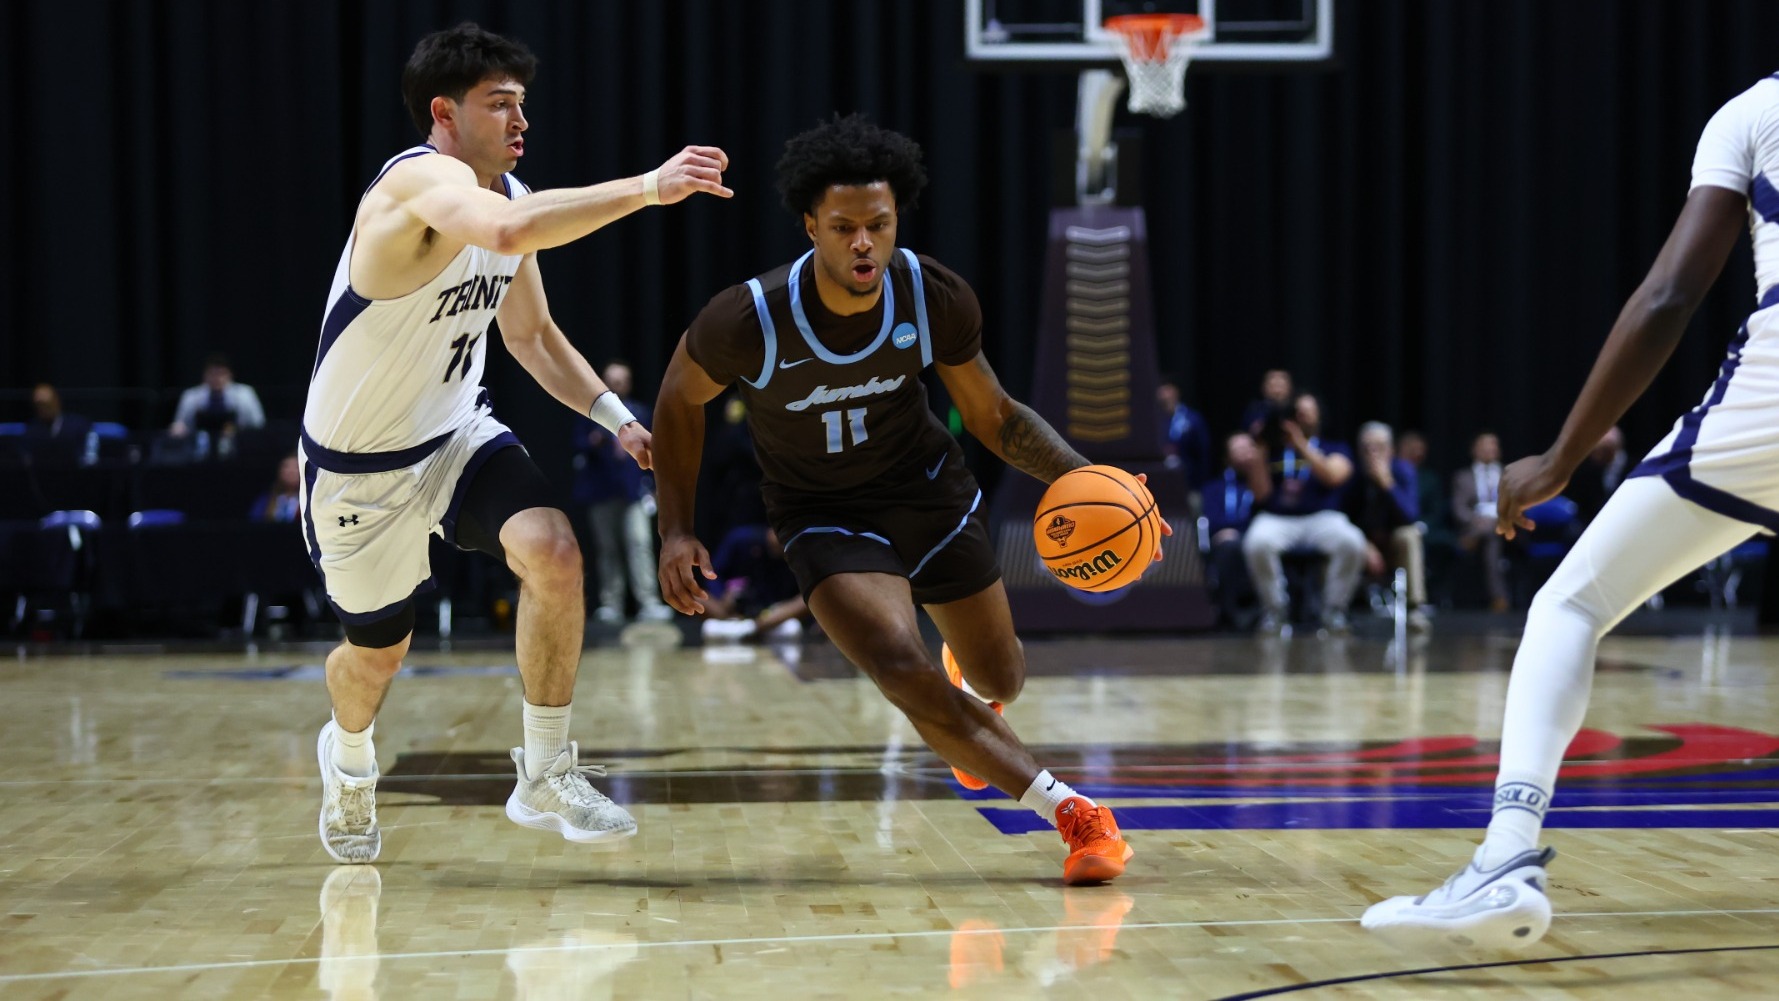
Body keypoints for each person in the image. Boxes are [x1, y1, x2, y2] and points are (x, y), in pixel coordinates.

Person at [652, 115, 1156, 884]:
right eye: (843, 227)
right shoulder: (749, 318)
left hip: (926, 491)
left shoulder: (931, 295)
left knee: (1000, 679)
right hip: (821, 512)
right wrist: (676, 529)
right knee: (896, 662)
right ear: (810, 226)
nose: (863, 243)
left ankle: (969, 697)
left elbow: (994, 416)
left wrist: (1098, 483)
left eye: (878, 225)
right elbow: (676, 400)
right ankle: (1074, 813)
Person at [1363, 72, 1775, 951]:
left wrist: (1560, 457)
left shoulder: (1751, 113)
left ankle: (1505, 855)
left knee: (1571, 603)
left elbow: (1667, 297)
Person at [300, 23, 730, 864]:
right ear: (444, 113)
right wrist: (649, 187)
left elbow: (531, 337)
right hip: (358, 470)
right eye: (499, 103)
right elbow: (500, 232)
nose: (520, 119)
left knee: (555, 551)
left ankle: (544, 770)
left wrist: (615, 418)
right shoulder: (415, 182)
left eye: (522, 103)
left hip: (453, 436)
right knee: (377, 656)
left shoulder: (510, 195)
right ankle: (348, 758)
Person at [1241, 391, 1365, 635]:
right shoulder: (1275, 450)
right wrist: (1261, 449)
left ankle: (1334, 610)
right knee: (1257, 541)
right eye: (1298, 412)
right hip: (1279, 518)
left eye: (1308, 412)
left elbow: (1333, 476)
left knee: (1352, 541)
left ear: (1319, 417)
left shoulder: (1334, 447)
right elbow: (1261, 494)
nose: (1302, 417)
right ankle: (1275, 611)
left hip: (1322, 517)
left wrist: (1300, 445)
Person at [572, 360, 673, 624]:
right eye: (611, 380)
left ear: (628, 383)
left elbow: (655, 451)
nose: (616, 385)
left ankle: (649, 602)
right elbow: (579, 447)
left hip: (633, 494)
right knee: (607, 548)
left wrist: (655, 489)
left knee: (639, 544)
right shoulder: (589, 414)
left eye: (621, 380)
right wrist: (597, 440)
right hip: (601, 493)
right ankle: (611, 604)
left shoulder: (640, 414)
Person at [1342, 422, 1430, 631]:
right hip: (1362, 543)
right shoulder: (1353, 475)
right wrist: (1365, 545)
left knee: (1410, 535)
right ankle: (1336, 611)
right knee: (1341, 537)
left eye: (1379, 448)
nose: (1373, 454)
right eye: (1367, 448)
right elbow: (1342, 517)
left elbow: (1410, 515)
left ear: (1390, 450)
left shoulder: (1403, 470)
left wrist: (1388, 484)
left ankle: (1415, 608)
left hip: (1393, 540)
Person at [698, 525, 808, 643]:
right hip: (730, 617)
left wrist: (778, 615)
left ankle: (753, 629)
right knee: (706, 619)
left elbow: (805, 595)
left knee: (793, 626)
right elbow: (712, 574)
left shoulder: (798, 553)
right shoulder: (742, 539)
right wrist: (723, 596)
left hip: (773, 618)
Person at [1202, 432, 1265, 629]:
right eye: (1238, 449)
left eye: (1248, 448)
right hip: (1225, 539)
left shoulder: (1264, 484)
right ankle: (1231, 615)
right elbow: (1211, 519)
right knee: (1229, 547)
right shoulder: (1215, 487)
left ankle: (1263, 612)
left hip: (1255, 535)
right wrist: (1230, 531)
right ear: (1227, 457)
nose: (1245, 453)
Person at [1451, 431, 1511, 612]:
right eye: (1485, 445)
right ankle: (1499, 597)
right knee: (1490, 535)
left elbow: (1516, 504)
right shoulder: (1463, 477)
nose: (1490, 449)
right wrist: (1477, 522)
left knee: (1491, 530)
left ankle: (1472, 539)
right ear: (1474, 450)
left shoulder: (1508, 474)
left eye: (1493, 445)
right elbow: (1459, 509)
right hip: (1476, 525)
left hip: (1505, 526)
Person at [170, 354, 266, 437]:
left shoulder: (244, 394)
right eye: (212, 374)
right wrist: (179, 429)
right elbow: (179, 423)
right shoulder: (191, 396)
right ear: (204, 376)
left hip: (238, 441)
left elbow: (258, 423)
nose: (217, 378)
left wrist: (239, 430)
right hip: (201, 443)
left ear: (230, 375)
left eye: (221, 374)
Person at [1156, 378, 1212, 490]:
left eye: (1168, 389)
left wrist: (1200, 484)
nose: (1164, 395)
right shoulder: (1154, 420)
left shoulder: (1193, 419)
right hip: (1160, 482)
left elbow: (1203, 453)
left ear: (1176, 391)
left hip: (1190, 483)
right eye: (1161, 390)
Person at [1567, 425, 1628, 523]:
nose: (1593, 455)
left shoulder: (1635, 467)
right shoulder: (1588, 473)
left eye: (1598, 451)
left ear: (1611, 450)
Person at [24, 384, 92, 441]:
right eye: (39, 405)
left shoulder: (78, 425)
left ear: (56, 401)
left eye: (47, 405)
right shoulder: (32, 429)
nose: (43, 409)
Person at [1241, 368, 1294, 436]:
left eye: (1280, 386)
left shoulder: (1295, 409)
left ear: (1289, 388)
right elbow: (1247, 432)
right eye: (1273, 386)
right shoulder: (1255, 409)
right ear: (1264, 388)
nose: (1277, 391)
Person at [252, 454, 303, 523]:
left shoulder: (309, 500)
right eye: (286, 466)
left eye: (296, 467)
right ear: (279, 471)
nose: (291, 471)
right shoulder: (266, 500)